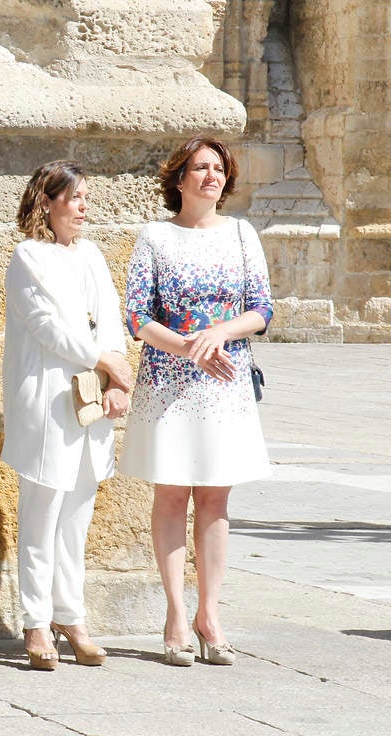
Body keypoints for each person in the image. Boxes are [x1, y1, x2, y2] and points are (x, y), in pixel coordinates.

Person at [119, 136, 273, 666]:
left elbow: (262, 309)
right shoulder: (155, 237)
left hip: (224, 383)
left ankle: (210, 615)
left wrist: (218, 335)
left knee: (214, 499)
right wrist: (188, 346)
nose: (212, 176)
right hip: (167, 383)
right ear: (179, 179)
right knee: (171, 495)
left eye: (218, 168)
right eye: (200, 168)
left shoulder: (241, 234)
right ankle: (176, 617)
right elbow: (137, 316)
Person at [2, 160, 133, 670]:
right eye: (74, 197)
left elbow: (111, 320)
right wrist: (108, 365)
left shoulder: (92, 255)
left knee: (76, 516)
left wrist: (115, 380)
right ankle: (36, 622)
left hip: (93, 397)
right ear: (47, 202)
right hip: (49, 400)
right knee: (42, 513)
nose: (83, 207)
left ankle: (70, 615)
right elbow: (48, 328)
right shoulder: (28, 257)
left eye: (85, 198)